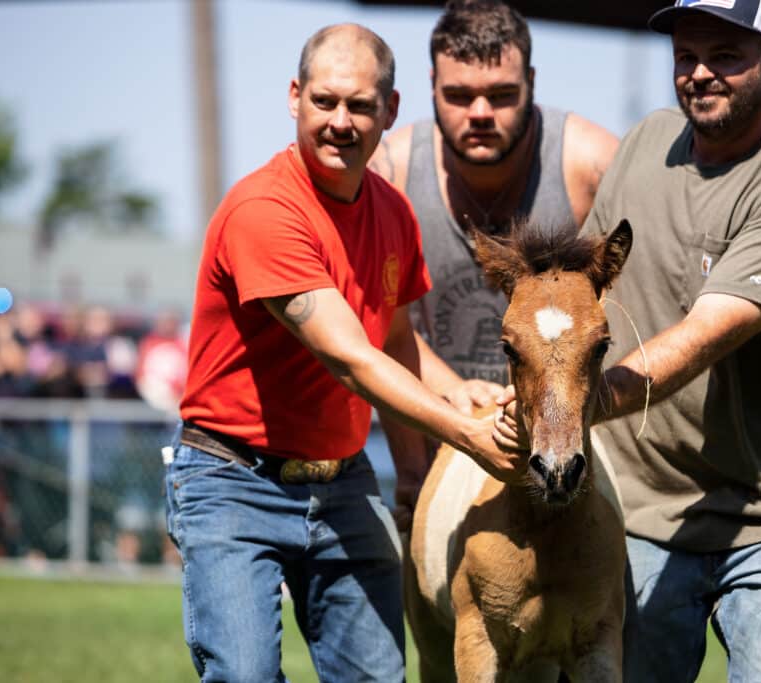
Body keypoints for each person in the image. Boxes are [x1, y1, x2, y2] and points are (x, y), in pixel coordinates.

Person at [494, 1, 761, 680]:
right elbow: (579, 295)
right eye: (686, 55)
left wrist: (578, 404)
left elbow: (704, 334)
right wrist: (534, 384)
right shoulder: (644, 144)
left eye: (726, 55)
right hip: (644, 508)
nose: (699, 73)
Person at [168, 24, 525, 682]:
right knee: (244, 674)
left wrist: (454, 396)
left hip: (342, 481)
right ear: (295, 97)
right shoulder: (264, 209)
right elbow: (350, 357)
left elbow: (389, 334)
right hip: (231, 481)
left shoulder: (391, 211)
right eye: (325, 101)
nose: (340, 121)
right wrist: (466, 431)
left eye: (360, 105)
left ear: (389, 110)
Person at [369, 0, 618, 411]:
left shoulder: (593, 167)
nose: (480, 113)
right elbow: (377, 326)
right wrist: (418, 466)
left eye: (501, 95)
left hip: (560, 445)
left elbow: (635, 313)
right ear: (432, 85)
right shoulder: (389, 175)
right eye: (459, 96)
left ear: (532, 83)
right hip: (436, 438)